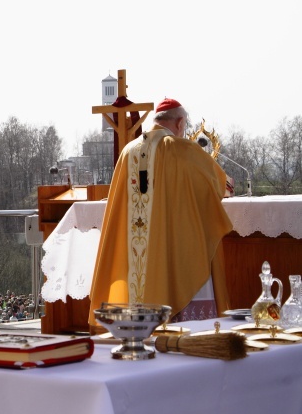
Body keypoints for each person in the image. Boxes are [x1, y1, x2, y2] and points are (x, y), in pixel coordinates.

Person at [88, 98, 233, 330]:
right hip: (170, 245)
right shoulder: (180, 148)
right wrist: (227, 185)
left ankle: (136, 331)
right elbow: (218, 184)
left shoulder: (128, 151)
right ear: (179, 123)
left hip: (137, 249)